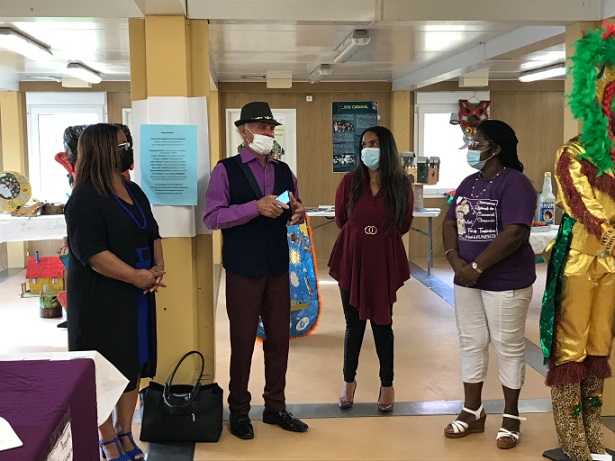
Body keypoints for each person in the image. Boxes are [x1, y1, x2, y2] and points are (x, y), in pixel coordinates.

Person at [203, 101, 308, 440]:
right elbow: (212, 218)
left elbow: (295, 207)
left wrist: (298, 212)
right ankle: (239, 410)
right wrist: (253, 207)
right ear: (243, 131)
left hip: (277, 266)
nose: (268, 132)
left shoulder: (283, 170)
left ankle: (276, 406)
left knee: (279, 339)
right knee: (243, 341)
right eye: (262, 127)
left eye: (271, 127)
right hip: (242, 268)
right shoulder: (225, 170)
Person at [65, 123, 165, 461]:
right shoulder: (83, 197)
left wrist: (157, 267)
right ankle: (106, 436)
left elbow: (152, 232)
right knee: (102, 369)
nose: (127, 151)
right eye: (121, 146)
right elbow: (93, 254)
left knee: (132, 362)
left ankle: (125, 430)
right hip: (100, 296)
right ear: (102, 150)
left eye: (127, 145)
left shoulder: (133, 190)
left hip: (138, 293)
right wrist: (135, 276)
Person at [540, 24, 615, 461]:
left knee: (600, 345)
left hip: (611, 264)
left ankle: (592, 431)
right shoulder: (574, 153)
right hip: (579, 259)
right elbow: (580, 202)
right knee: (571, 346)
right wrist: (607, 231)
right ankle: (571, 436)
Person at [441, 120, 536, 449]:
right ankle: (472, 411)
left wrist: (478, 266)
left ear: (495, 149)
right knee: (471, 343)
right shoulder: (468, 183)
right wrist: (456, 261)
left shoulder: (516, 184)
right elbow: (450, 223)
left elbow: (515, 232)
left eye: (477, 143)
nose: (471, 149)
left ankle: (511, 416)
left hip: (505, 281)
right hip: (467, 280)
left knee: (507, 346)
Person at [328, 126, 414, 413]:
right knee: (353, 325)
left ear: (386, 148)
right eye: (364, 144)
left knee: (382, 324)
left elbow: (403, 223)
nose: (368, 149)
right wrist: (361, 237)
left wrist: (376, 237)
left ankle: (387, 384)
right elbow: (341, 219)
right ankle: (348, 382)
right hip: (351, 257)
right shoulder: (349, 182)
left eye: (374, 143)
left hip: (383, 259)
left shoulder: (400, 184)